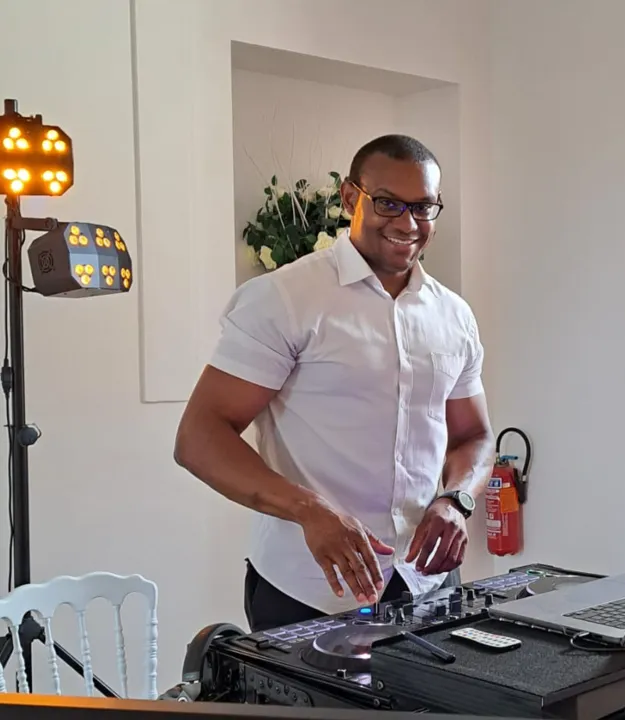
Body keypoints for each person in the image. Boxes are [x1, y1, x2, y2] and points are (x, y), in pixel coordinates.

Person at [174, 134, 494, 632]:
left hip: (427, 582)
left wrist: (457, 500)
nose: (407, 223)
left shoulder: (454, 315)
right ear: (350, 198)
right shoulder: (284, 298)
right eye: (387, 203)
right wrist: (310, 510)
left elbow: (473, 436)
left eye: (423, 207)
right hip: (311, 588)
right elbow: (199, 438)